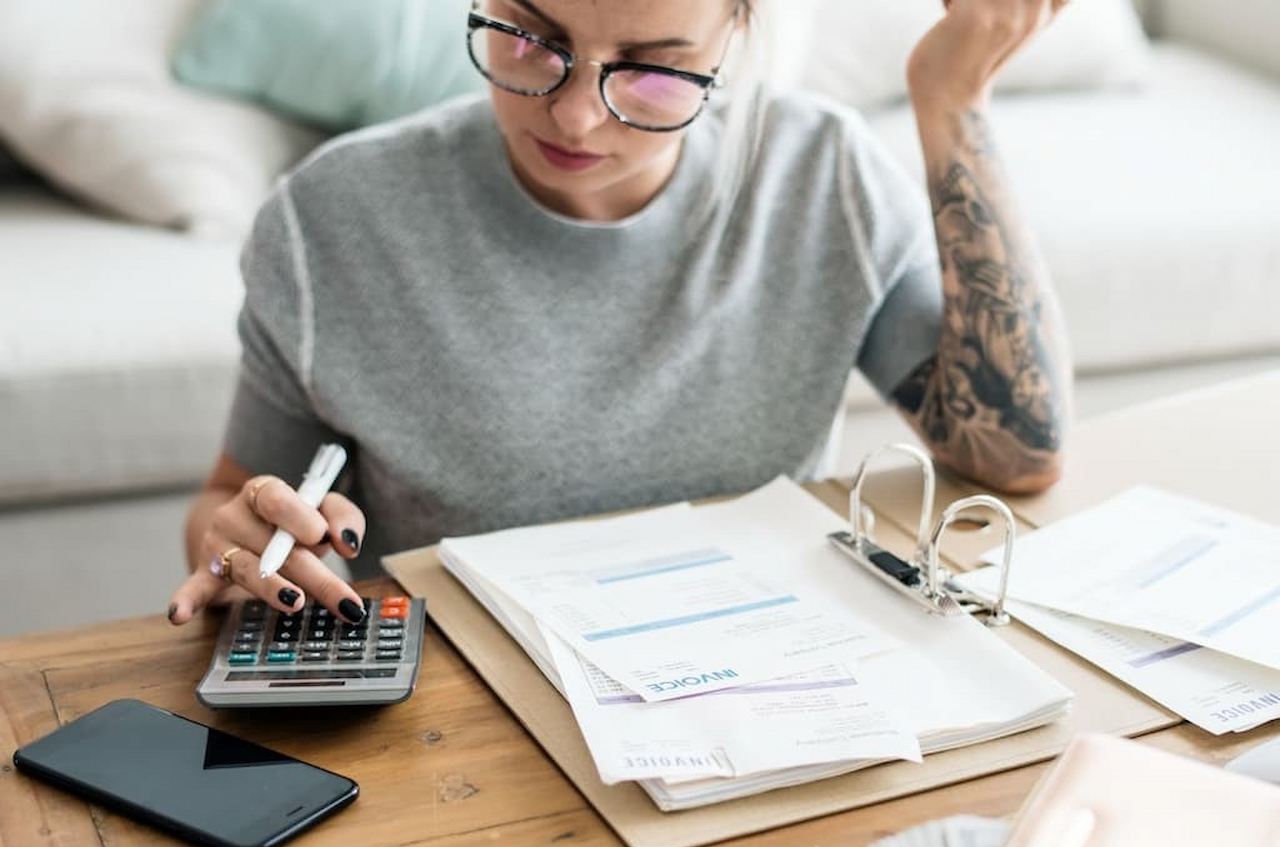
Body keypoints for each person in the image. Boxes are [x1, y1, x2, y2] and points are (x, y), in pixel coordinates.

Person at [168, 0, 1071, 626]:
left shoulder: (822, 178)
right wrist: (235, 547)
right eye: (528, 36)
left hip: (767, 683)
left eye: (652, 70)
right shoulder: (332, 222)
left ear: (736, 33)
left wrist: (955, 101)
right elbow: (233, 498)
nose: (574, 118)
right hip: (466, 720)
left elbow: (1012, 452)